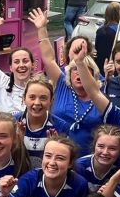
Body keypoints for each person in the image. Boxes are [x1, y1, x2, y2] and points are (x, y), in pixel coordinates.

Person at [30, 8, 104, 155]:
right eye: (74, 69)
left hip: (90, 158)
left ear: (94, 74)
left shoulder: (101, 91)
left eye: (83, 70)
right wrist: (42, 29)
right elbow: (49, 59)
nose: (79, 73)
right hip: (57, 156)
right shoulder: (62, 83)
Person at [16, 76, 59, 168]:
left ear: (51, 100)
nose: (37, 103)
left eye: (43, 98)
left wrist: (55, 148)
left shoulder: (60, 127)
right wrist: (16, 143)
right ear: (24, 99)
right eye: (32, 97)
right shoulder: (13, 122)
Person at [75, 125, 120, 192]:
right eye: (101, 146)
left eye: (112, 148)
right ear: (94, 146)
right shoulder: (79, 167)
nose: (105, 152)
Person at [94, 3, 120, 74]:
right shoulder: (119, 31)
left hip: (101, 63)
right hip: (114, 64)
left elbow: (97, 46)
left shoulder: (100, 29)